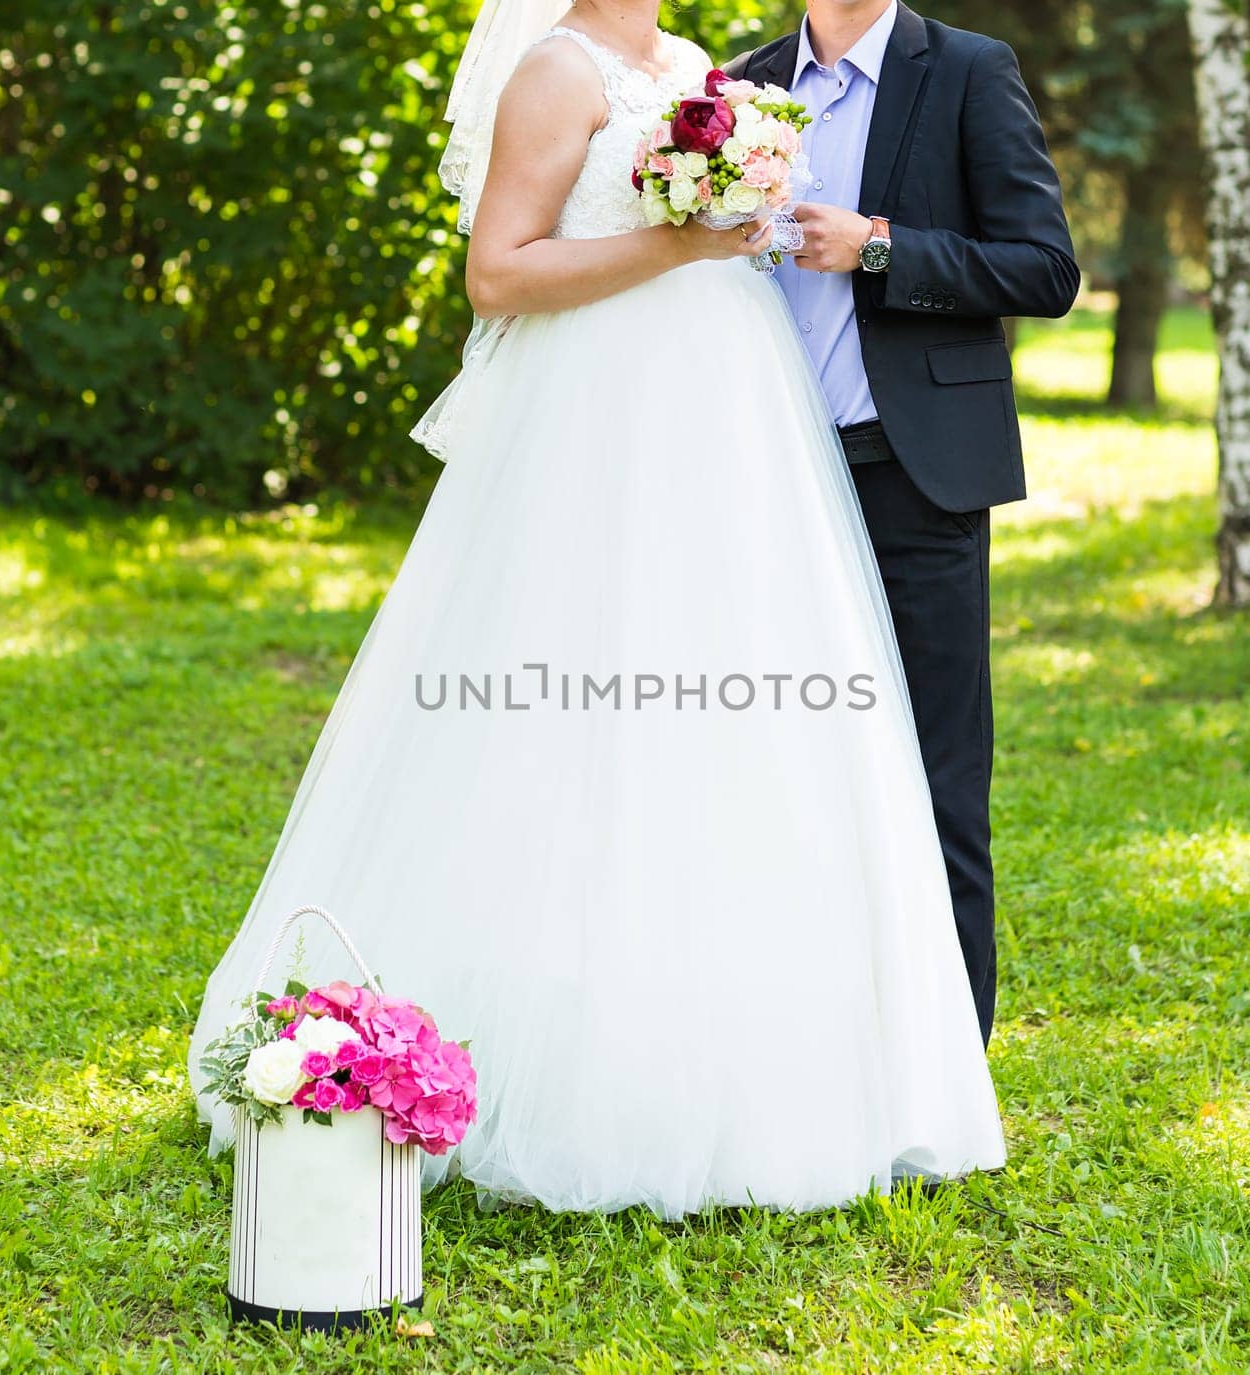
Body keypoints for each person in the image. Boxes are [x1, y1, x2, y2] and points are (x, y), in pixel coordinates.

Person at [186, 0, 1005, 1220]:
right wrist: (681, 246)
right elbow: (498, 273)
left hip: (735, 428)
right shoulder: (554, 71)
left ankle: (754, 1049)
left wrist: (750, 227)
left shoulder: (691, 67)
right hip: (602, 427)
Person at [730, 0, 1080, 1042]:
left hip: (911, 481)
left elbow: (1044, 268)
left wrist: (879, 247)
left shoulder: (969, 70)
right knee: (776, 770)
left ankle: (946, 1067)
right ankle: (803, 1040)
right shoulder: (738, 89)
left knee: (935, 783)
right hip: (759, 484)